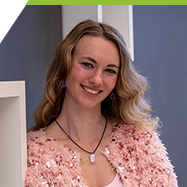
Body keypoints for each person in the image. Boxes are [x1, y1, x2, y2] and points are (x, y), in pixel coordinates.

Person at [25, 19, 178, 187]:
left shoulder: (141, 142)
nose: (97, 79)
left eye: (110, 70)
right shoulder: (31, 153)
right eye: (87, 64)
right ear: (65, 65)